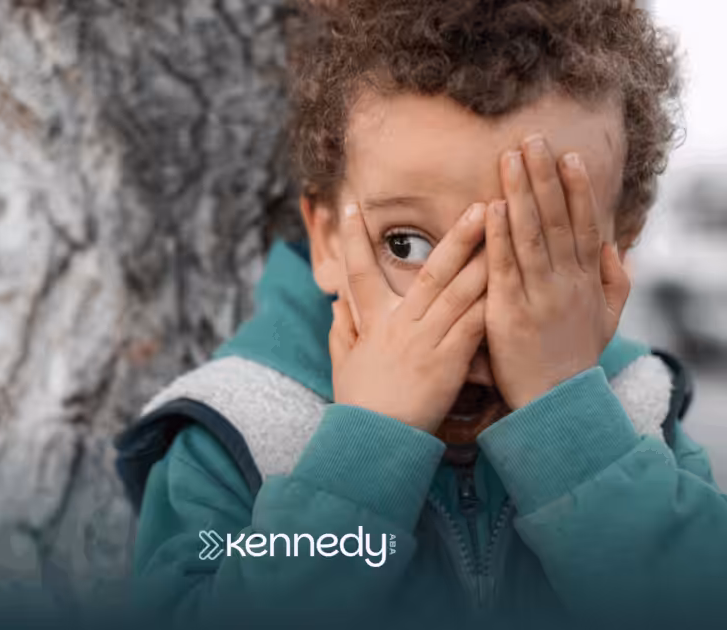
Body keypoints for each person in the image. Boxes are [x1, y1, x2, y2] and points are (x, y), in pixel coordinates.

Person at [114, 1, 727, 628]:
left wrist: (573, 429)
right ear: (326, 238)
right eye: (407, 245)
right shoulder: (240, 432)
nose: (476, 310)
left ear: (619, 246)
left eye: (536, 246)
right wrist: (363, 454)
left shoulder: (636, 412)